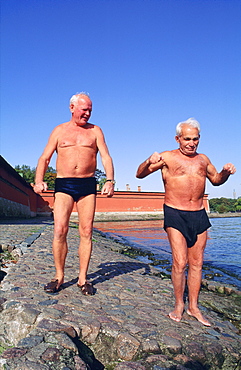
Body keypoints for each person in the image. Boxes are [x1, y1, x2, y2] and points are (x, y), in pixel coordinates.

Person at [136, 118, 236, 326]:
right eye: (187, 139)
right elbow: (139, 174)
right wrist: (148, 160)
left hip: (198, 213)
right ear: (178, 138)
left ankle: (193, 307)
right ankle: (179, 305)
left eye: (195, 139)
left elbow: (216, 180)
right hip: (175, 212)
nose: (191, 143)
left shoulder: (203, 159)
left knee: (197, 263)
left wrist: (225, 172)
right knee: (180, 262)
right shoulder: (167, 157)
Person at [32, 92, 115, 295]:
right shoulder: (59, 131)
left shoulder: (95, 131)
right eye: (84, 109)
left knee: (86, 232)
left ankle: (83, 279)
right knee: (60, 230)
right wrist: (38, 181)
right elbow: (45, 158)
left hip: (88, 185)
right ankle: (59, 276)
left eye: (90, 110)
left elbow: (106, 157)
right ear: (72, 108)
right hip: (64, 184)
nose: (87, 113)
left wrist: (110, 180)